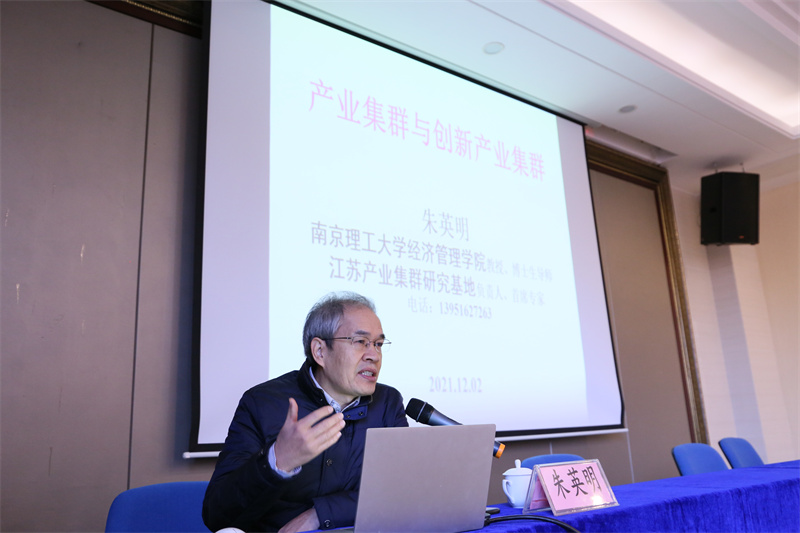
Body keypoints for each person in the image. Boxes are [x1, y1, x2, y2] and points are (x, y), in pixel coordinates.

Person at [202, 292, 408, 533]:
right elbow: (217, 515)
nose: (374, 355)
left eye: (378, 344)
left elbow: (400, 491)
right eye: (360, 341)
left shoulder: (387, 403)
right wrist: (278, 461)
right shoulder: (262, 403)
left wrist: (320, 514)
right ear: (320, 351)